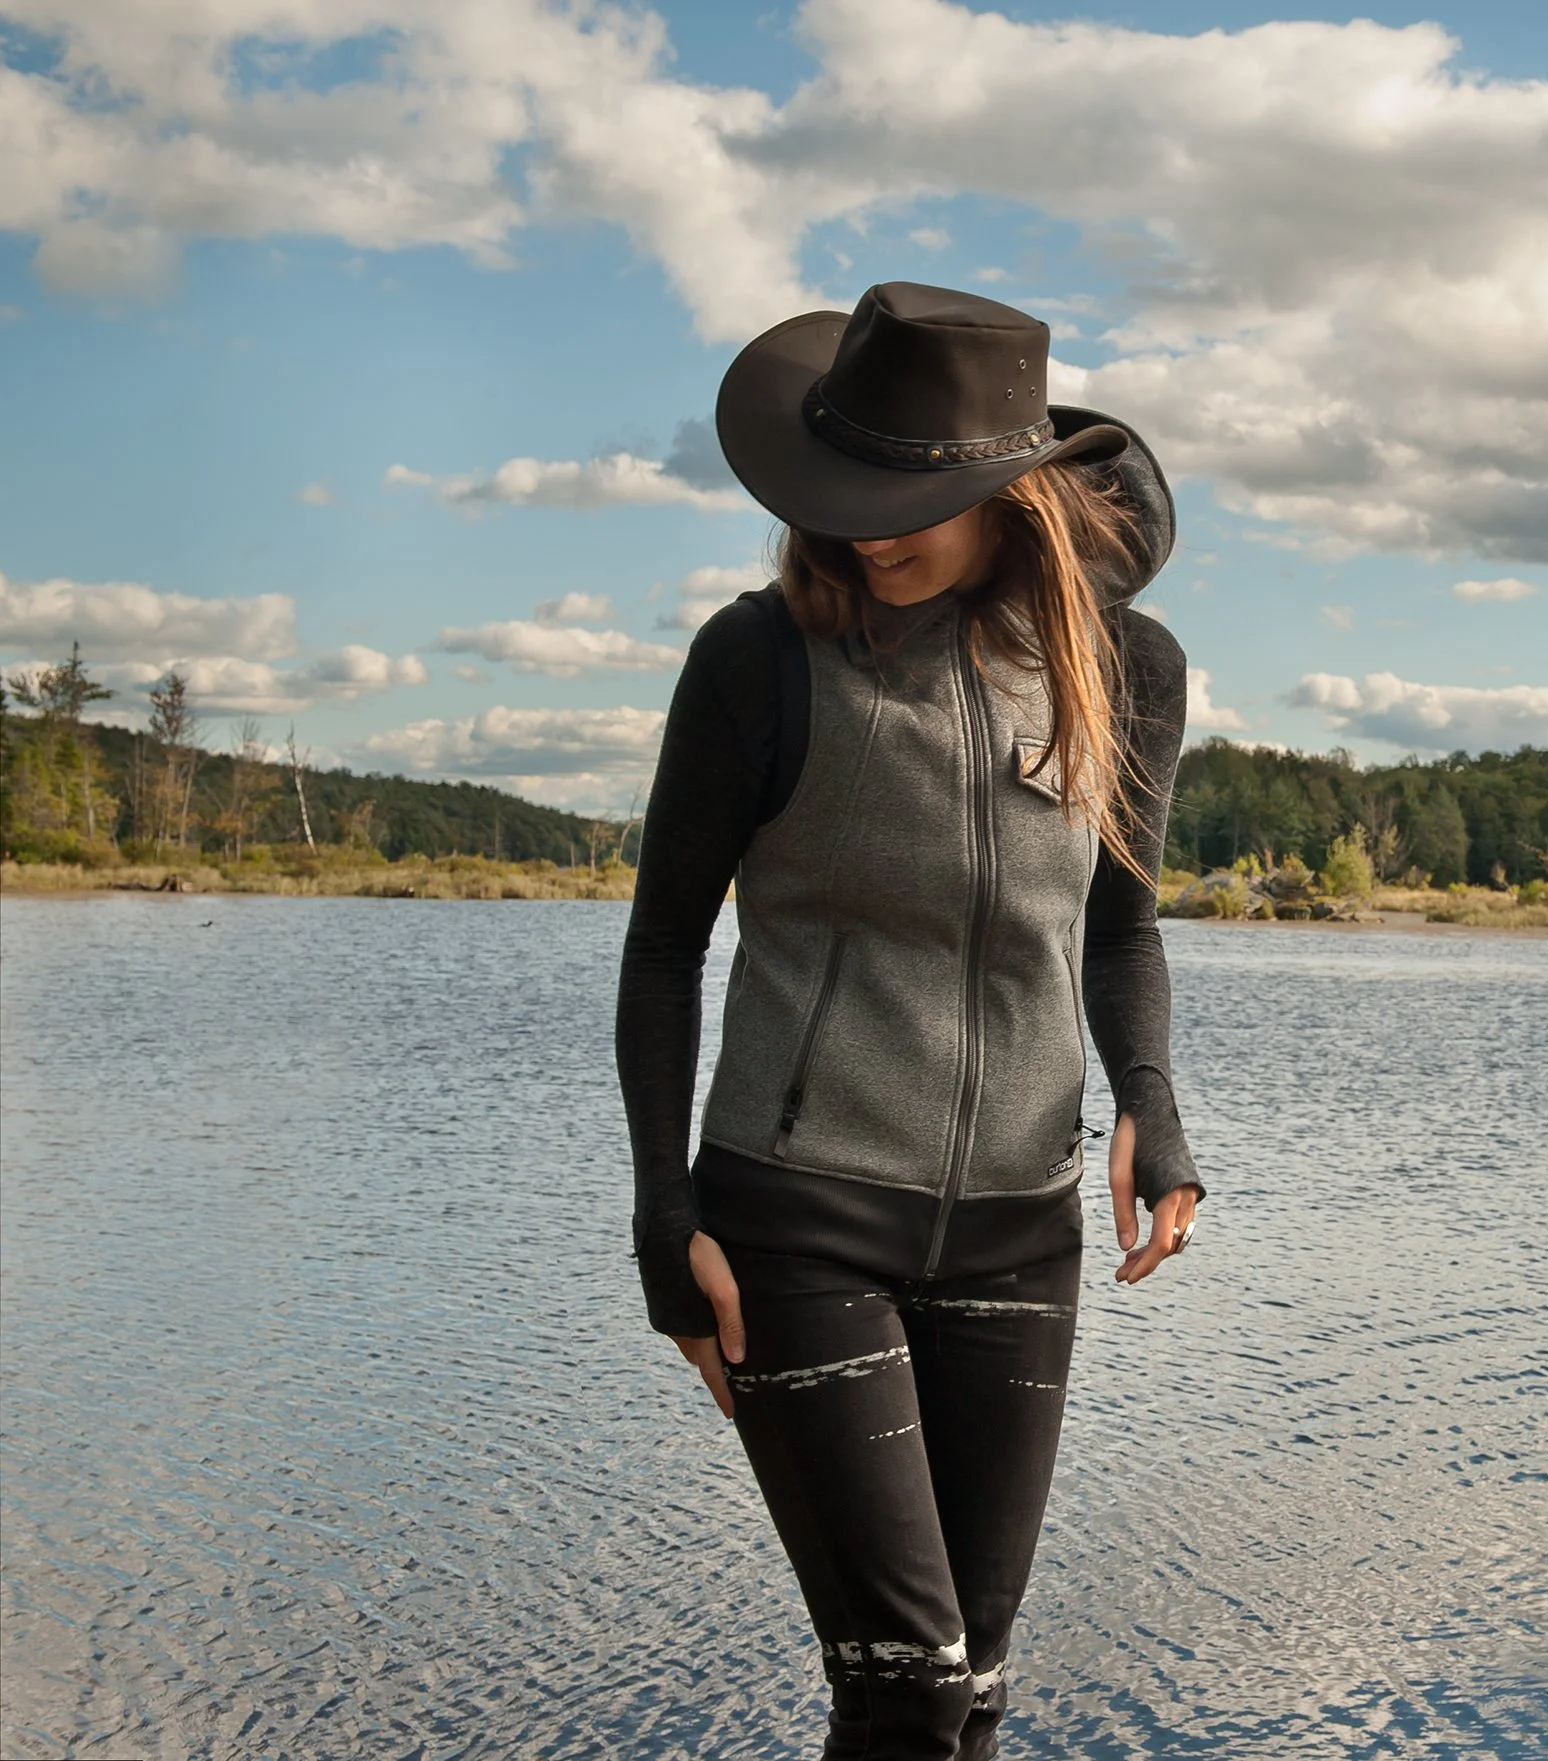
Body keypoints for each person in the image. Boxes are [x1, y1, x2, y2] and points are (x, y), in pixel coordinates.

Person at [616, 282, 1204, 1760]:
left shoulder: (1125, 671)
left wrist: (1155, 1102)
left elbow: (1119, 921)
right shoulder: (758, 661)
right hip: (798, 1218)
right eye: (840, 493)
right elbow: (663, 949)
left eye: (901, 498)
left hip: (1022, 1219)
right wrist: (661, 1225)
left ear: (1009, 489)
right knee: (904, 1682)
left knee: (979, 1685)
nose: (864, 529)